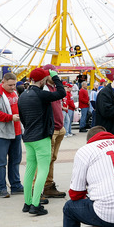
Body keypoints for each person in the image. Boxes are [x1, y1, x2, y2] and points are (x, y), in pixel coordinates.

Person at [18, 67, 66, 216]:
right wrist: (56, 77)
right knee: (43, 171)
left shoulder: (23, 96)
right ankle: (36, 205)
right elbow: (61, 93)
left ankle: (27, 202)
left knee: (30, 170)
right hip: (42, 137)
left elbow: (22, 118)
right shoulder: (41, 94)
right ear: (43, 80)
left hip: (29, 137)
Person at [0, 72, 24, 198]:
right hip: (1, 133)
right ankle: (2, 188)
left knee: (15, 160)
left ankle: (15, 185)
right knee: (1, 161)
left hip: (16, 130)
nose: (13, 87)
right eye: (10, 85)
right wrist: (10, 118)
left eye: (14, 85)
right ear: (3, 82)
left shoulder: (14, 93)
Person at [40, 65, 69, 199]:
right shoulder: (44, 89)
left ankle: (48, 185)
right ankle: (38, 188)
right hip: (51, 129)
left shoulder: (54, 88)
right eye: (53, 74)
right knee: (44, 160)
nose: (56, 76)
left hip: (59, 128)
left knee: (52, 159)